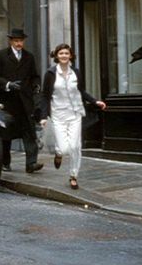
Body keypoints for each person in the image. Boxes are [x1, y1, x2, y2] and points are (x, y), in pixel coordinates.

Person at [39, 44, 106, 189]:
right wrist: (43, 116)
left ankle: (73, 175)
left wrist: (95, 101)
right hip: (58, 114)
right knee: (64, 148)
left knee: (75, 146)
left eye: (66, 53)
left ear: (70, 56)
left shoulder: (76, 72)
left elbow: (81, 91)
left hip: (75, 113)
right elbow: (45, 96)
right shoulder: (50, 74)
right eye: (61, 53)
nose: (64, 56)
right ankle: (58, 153)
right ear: (57, 56)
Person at [0, 28, 44, 173]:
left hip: (25, 101)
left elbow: (35, 76)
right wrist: (8, 84)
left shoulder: (29, 57)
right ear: (11, 41)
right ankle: (5, 162)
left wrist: (36, 86)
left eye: (21, 41)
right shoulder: (1, 55)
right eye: (16, 41)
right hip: (7, 101)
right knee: (5, 132)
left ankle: (31, 163)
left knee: (29, 131)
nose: (19, 43)